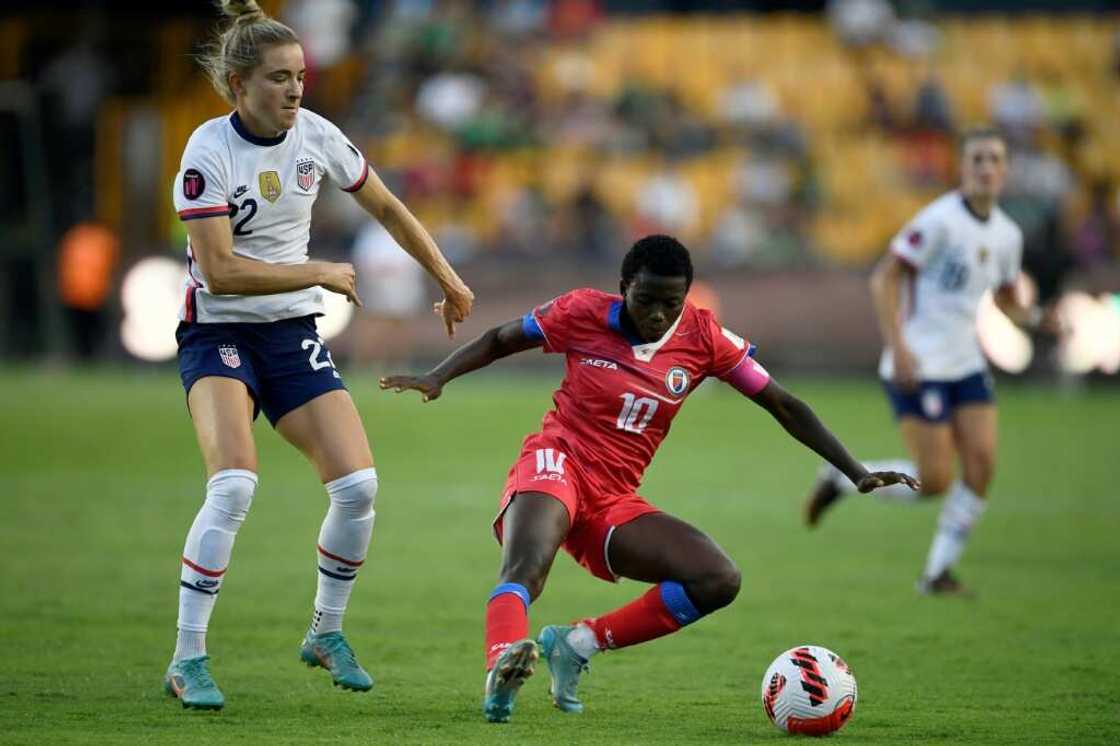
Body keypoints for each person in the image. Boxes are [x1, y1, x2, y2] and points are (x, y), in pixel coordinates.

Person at [380, 234, 916, 723]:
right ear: (623, 289)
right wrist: (439, 376)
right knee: (527, 564)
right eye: (646, 300)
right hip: (557, 459)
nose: (659, 315)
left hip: (613, 497)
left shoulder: (706, 338)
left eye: (671, 303)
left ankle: (579, 644)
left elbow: (782, 403)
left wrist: (857, 473)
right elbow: (500, 338)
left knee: (718, 579)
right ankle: (502, 668)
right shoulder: (581, 311)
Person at [164, 0, 474, 711]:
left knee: (359, 487)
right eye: (279, 78)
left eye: (301, 75)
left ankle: (325, 632)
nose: (296, 90)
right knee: (234, 486)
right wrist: (318, 272)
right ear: (238, 86)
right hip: (218, 333)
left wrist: (449, 280)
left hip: (287, 332)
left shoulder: (317, 137)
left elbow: (390, 208)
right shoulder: (208, 152)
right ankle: (188, 657)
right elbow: (218, 272)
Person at [805, 127, 1040, 595]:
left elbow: (1008, 297)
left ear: (1005, 170)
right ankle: (841, 475)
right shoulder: (938, 221)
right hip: (920, 363)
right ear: (963, 167)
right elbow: (884, 279)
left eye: (995, 160)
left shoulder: (1007, 235)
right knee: (933, 479)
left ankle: (936, 574)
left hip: (966, 362)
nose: (987, 168)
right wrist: (900, 346)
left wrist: (1037, 317)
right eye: (977, 159)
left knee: (982, 465)